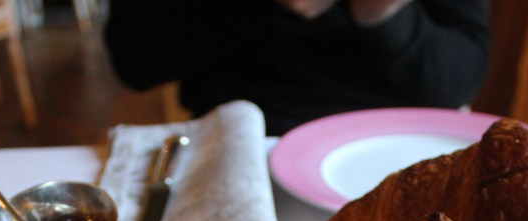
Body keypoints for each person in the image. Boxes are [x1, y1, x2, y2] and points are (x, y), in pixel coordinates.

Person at [103, 0, 492, 135]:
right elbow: (135, 60)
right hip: (243, 140)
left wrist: (384, 16)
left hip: (398, 139)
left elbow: (457, 81)